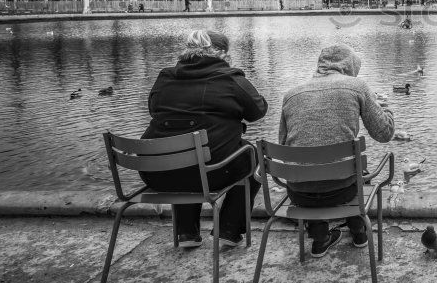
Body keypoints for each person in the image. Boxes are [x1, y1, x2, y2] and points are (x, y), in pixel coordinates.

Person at [141, 30, 268, 249]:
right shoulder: (229, 78)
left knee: (183, 153)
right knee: (255, 157)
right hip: (210, 173)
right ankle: (229, 228)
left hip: (156, 173)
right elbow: (258, 111)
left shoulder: (165, 76)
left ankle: (187, 232)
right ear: (222, 53)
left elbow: (154, 111)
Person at [278, 44, 395, 256]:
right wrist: (385, 109)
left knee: (315, 170)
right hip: (344, 190)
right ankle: (359, 231)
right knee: (354, 170)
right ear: (350, 66)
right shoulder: (356, 87)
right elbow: (384, 133)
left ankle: (320, 238)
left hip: (299, 194)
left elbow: (284, 144)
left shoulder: (291, 95)